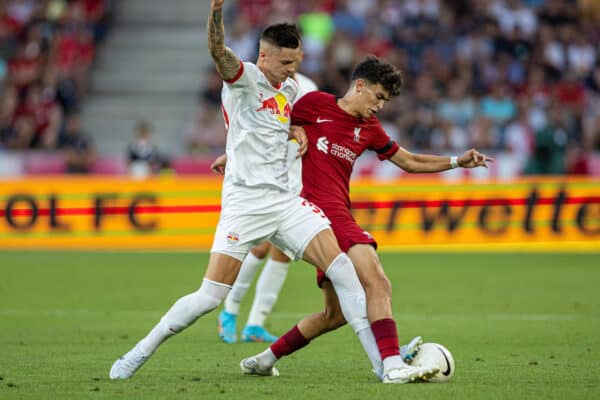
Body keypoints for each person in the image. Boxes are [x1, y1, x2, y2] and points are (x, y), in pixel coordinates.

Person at [109, 0, 437, 384]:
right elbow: (218, 52)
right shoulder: (244, 77)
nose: (291, 71)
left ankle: (388, 367)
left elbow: (276, 126)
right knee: (209, 297)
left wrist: (292, 131)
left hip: (285, 202)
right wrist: (216, 12)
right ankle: (139, 352)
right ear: (263, 55)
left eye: (296, 62)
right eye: (285, 63)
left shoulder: (291, 89)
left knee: (346, 272)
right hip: (244, 204)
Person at [214, 55, 492, 380]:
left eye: (386, 101)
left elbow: (410, 161)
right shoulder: (314, 104)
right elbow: (269, 124)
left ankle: (264, 360)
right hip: (319, 212)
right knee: (377, 281)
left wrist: (457, 161)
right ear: (360, 86)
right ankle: (391, 365)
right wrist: (235, 153)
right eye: (378, 97)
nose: (381, 106)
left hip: (330, 216)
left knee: (334, 315)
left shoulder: (369, 128)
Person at [217, 52, 319, 344]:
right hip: (264, 178)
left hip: (295, 176)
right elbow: (250, 126)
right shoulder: (259, 85)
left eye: (296, 59)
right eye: (286, 59)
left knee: (284, 253)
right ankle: (230, 309)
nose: (291, 65)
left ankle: (255, 323)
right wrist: (231, 153)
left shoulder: (308, 88)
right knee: (259, 248)